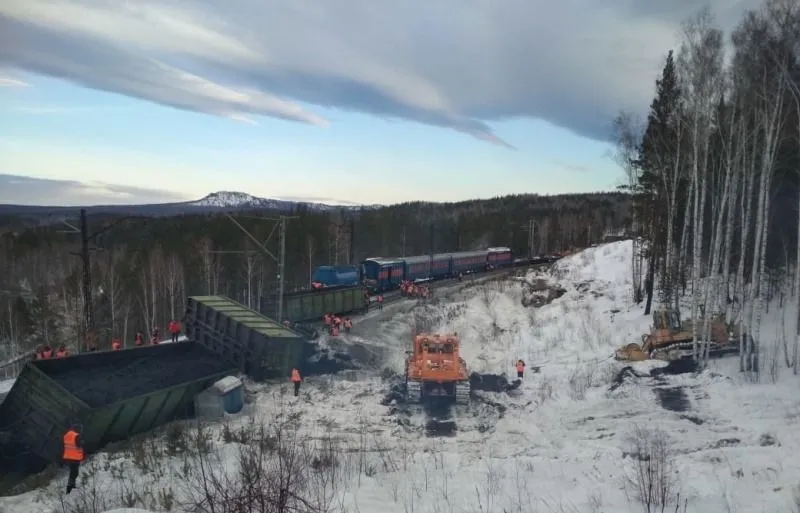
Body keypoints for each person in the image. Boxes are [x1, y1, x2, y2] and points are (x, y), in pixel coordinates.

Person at [63, 423, 84, 495]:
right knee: (74, 473)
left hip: (68, 457)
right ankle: (70, 488)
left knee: (73, 472)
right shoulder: (76, 435)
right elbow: (79, 444)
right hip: (74, 457)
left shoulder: (66, 435)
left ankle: (71, 487)